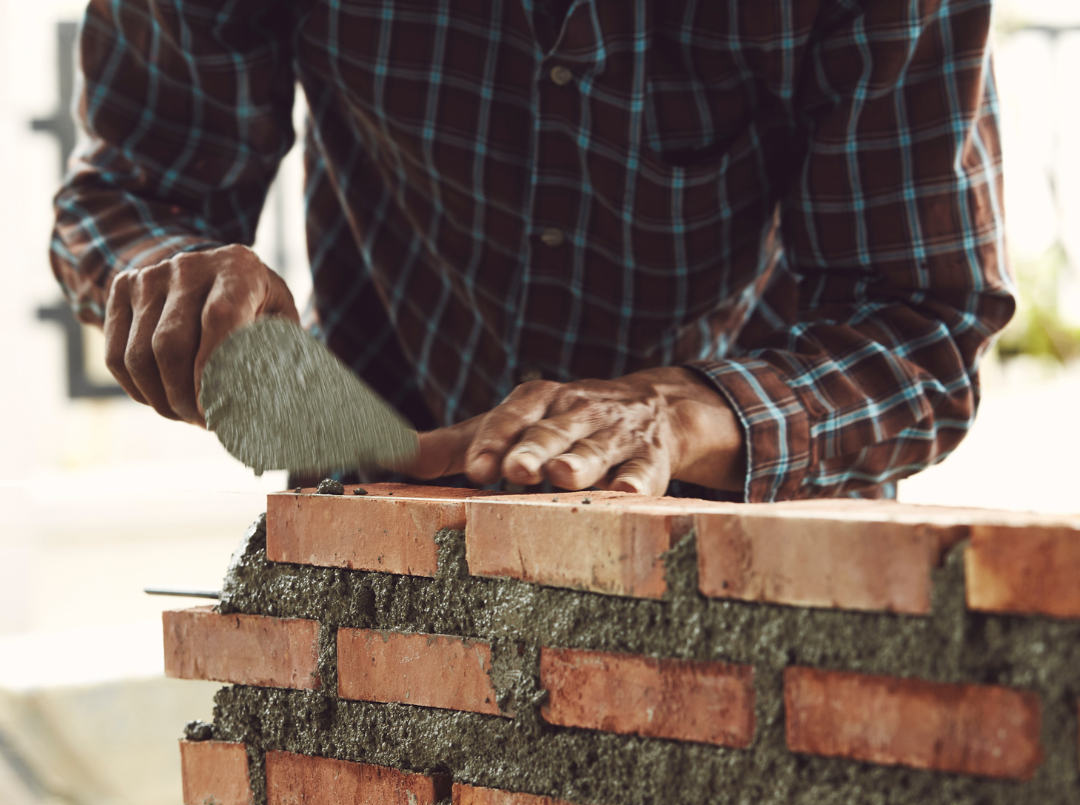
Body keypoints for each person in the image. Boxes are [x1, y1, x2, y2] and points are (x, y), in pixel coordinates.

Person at [51, 0, 1014, 500]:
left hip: (740, 544)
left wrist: (679, 415)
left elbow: (920, 333)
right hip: (386, 526)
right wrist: (180, 289)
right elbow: (139, 191)